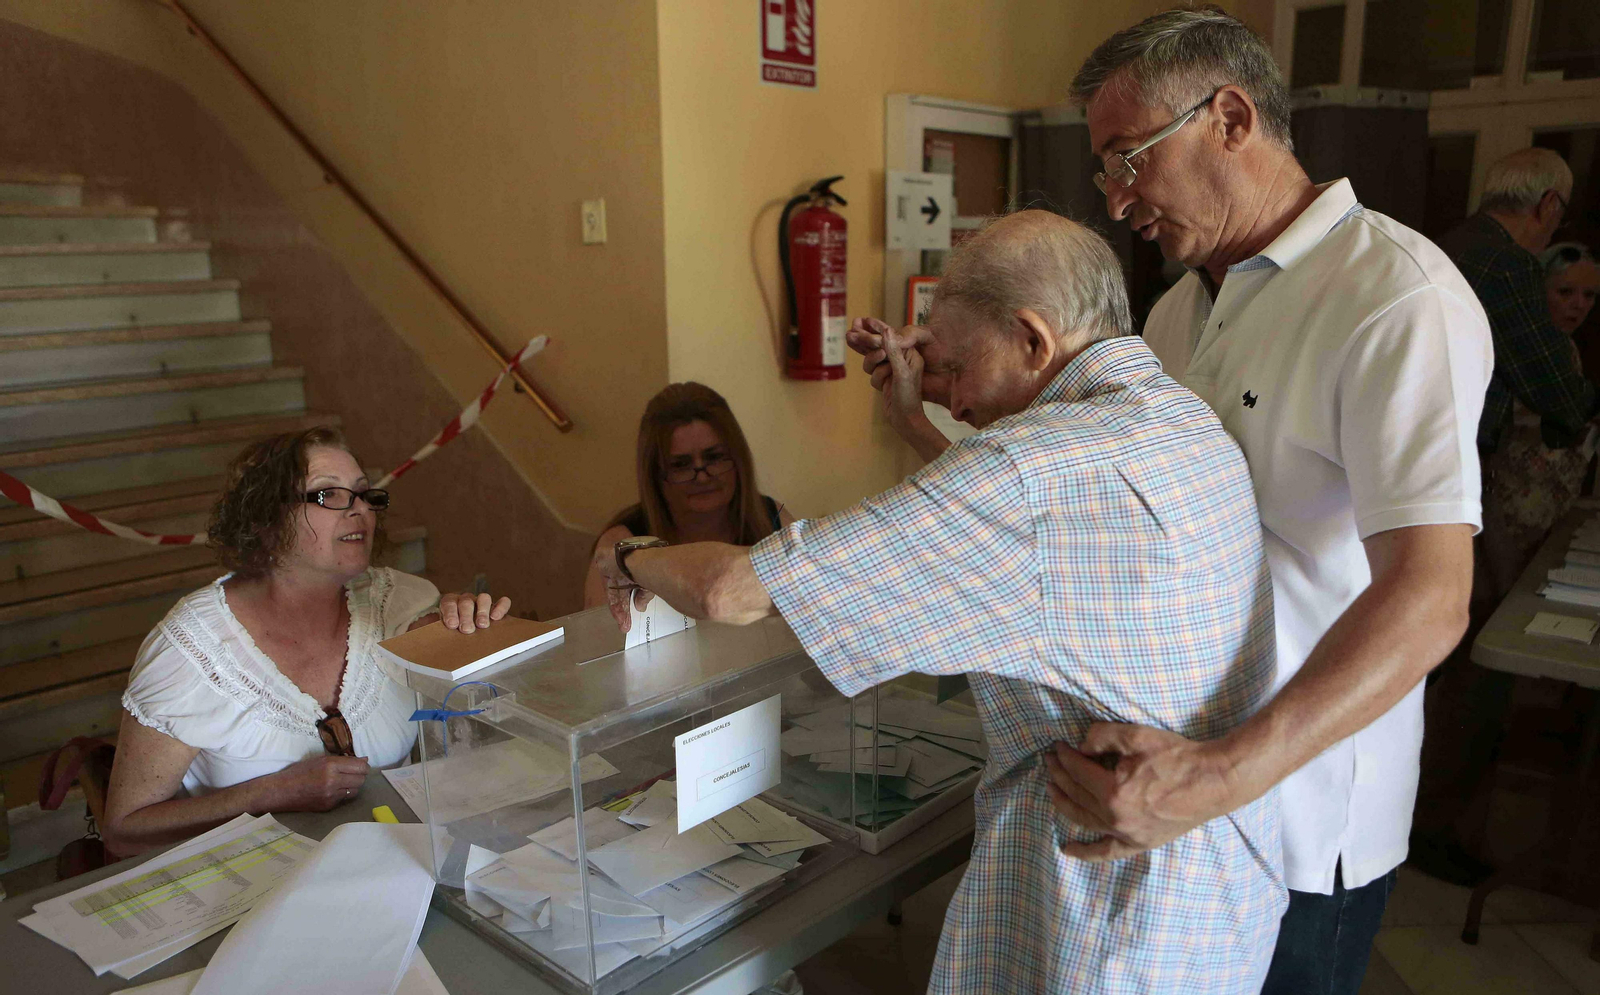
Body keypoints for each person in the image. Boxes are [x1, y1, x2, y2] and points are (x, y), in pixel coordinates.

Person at [601, 211, 1287, 994]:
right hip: (1213, 896)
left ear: (1033, 339)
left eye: (954, 367)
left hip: (1108, 920)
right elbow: (1032, 531)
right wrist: (910, 420)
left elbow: (732, 591)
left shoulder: (1026, 473)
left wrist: (629, 553)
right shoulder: (1176, 416)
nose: (951, 400)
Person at [968, 9, 1487, 995]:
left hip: (1287, 819)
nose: (1117, 203)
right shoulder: (1176, 310)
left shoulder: (1394, 297)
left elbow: (1429, 596)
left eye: (1129, 159)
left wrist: (1215, 777)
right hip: (1167, 796)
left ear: (1230, 118)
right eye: (1103, 173)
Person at [102, 427, 510, 856]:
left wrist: (468, 624)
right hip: (247, 887)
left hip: (393, 865)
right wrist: (271, 793)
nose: (359, 511)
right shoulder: (191, 651)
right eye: (328, 495)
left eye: (362, 493)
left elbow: (475, 703)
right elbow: (125, 831)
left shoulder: (397, 603)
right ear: (263, 521)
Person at [1439, 149, 1593, 461]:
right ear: (1549, 205)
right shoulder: (1508, 264)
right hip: (1456, 454)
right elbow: (1556, 390)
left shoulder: (1447, 243)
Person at [582, 382, 793, 608]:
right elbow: (602, 639)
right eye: (681, 465)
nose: (702, 477)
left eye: (715, 457)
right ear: (654, 475)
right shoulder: (619, 545)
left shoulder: (775, 520)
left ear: (739, 460)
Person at [1480, 242, 1600, 594]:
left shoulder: (1567, 346)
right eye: (1565, 292)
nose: (1579, 305)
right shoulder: (1525, 345)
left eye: (1589, 295)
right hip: (1512, 497)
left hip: (1553, 499)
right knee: (1503, 600)